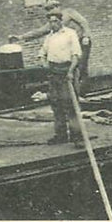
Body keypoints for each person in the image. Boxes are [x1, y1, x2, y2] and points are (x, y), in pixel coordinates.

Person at [13, 0, 92, 98]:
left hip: (80, 41)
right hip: (67, 45)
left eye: (52, 8)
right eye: (48, 10)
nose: (50, 11)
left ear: (58, 7)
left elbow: (83, 22)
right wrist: (22, 37)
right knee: (69, 68)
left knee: (80, 67)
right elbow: (40, 31)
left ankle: (81, 93)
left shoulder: (69, 12)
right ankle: (71, 94)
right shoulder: (53, 20)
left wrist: (86, 36)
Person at [37, 8, 82, 145]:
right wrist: (44, 64)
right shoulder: (49, 37)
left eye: (55, 21)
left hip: (67, 70)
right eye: (51, 22)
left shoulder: (70, 34)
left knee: (71, 105)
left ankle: (77, 137)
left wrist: (70, 71)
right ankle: (61, 135)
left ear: (61, 21)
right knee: (56, 104)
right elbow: (42, 53)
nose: (53, 24)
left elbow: (76, 54)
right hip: (53, 72)